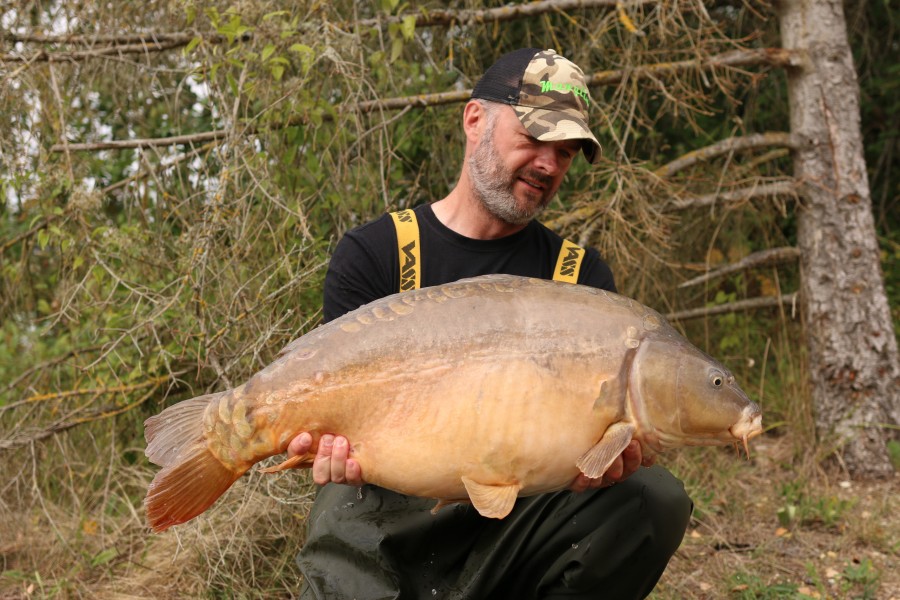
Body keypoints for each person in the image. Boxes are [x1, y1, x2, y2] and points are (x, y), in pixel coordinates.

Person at [287, 48, 692, 599]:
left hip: (520, 526)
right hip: (383, 523)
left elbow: (601, 454)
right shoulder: (376, 251)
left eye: (566, 152)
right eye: (533, 138)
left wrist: (608, 461)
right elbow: (336, 420)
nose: (549, 165)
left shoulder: (580, 279)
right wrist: (323, 447)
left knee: (653, 497)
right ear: (475, 119)